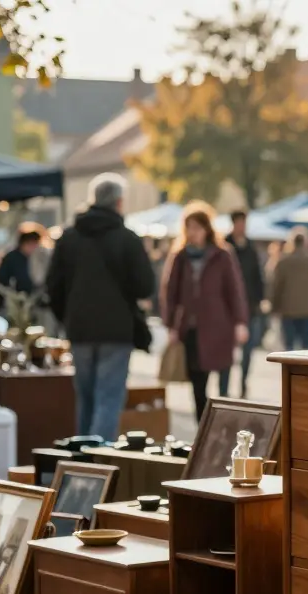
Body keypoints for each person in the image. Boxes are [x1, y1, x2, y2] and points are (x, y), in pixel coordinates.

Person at [47, 173, 156, 440]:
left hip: (80, 329)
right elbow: (145, 286)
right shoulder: (127, 239)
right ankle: (99, 464)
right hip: (116, 331)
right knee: (108, 398)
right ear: (119, 203)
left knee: (85, 398)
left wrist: (67, 318)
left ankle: (82, 461)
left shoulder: (69, 237)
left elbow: (53, 286)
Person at [161, 202, 248, 421]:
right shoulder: (180, 257)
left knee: (222, 381)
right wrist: (170, 325)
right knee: (197, 383)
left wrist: (240, 322)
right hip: (190, 329)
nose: (194, 233)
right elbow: (170, 292)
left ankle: (222, 425)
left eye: (198, 227)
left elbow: (234, 291)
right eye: (189, 227)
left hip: (219, 327)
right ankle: (202, 426)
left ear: (207, 229)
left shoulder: (222, 255)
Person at [225, 210, 265, 398]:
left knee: (248, 349)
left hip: (249, 306)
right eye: (239, 223)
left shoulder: (250, 248)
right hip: (226, 309)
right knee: (226, 349)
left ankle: (243, 382)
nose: (242, 226)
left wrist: (260, 300)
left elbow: (258, 276)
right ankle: (224, 387)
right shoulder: (225, 245)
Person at [270, 226, 308, 351]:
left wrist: (274, 306)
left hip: (288, 310)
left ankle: (289, 370)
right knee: (306, 347)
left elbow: (277, 286)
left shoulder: (283, 261)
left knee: (289, 347)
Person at [0, 225, 42, 311]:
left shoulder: (32, 259)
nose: (34, 248)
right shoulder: (11, 258)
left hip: (26, 301)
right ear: (24, 243)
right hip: (9, 301)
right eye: (33, 244)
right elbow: (1, 280)